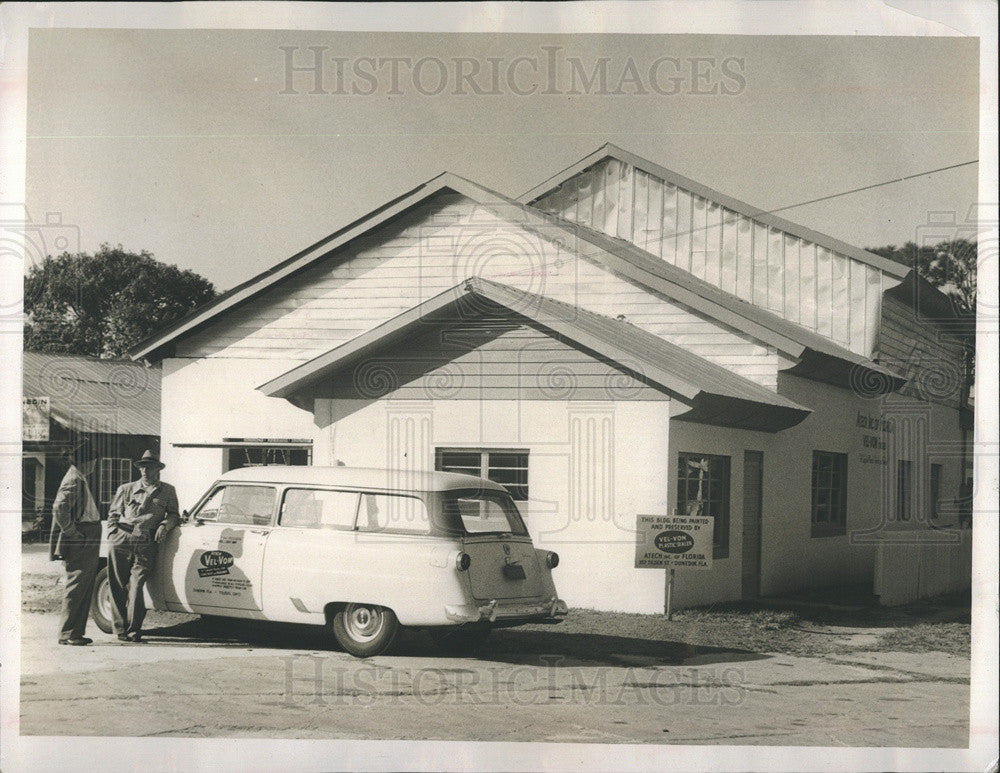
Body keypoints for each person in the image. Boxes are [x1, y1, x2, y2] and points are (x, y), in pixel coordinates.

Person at [107, 450, 179, 642]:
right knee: (117, 584)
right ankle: (120, 629)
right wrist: (113, 533)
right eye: (142, 467)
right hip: (122, 538)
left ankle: (133, 628)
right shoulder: (126, 489)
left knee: (137, 585)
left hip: (146, 541)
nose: (145, 471)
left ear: (158, 469)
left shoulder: (167, 491)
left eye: (149, 467)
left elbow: (173, 514)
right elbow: (113, 514)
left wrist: (164, 525)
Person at [49, 440, 102, 646]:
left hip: (88, 534)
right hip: (82, 535)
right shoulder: (74, 479)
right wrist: (72, 531)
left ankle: (75, 633)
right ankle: (67, 633)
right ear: (87, 462)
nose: (94, 465)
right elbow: (59, 509)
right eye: (93, 462)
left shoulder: (78, 477)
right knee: (77, 583)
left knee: (84, 584)